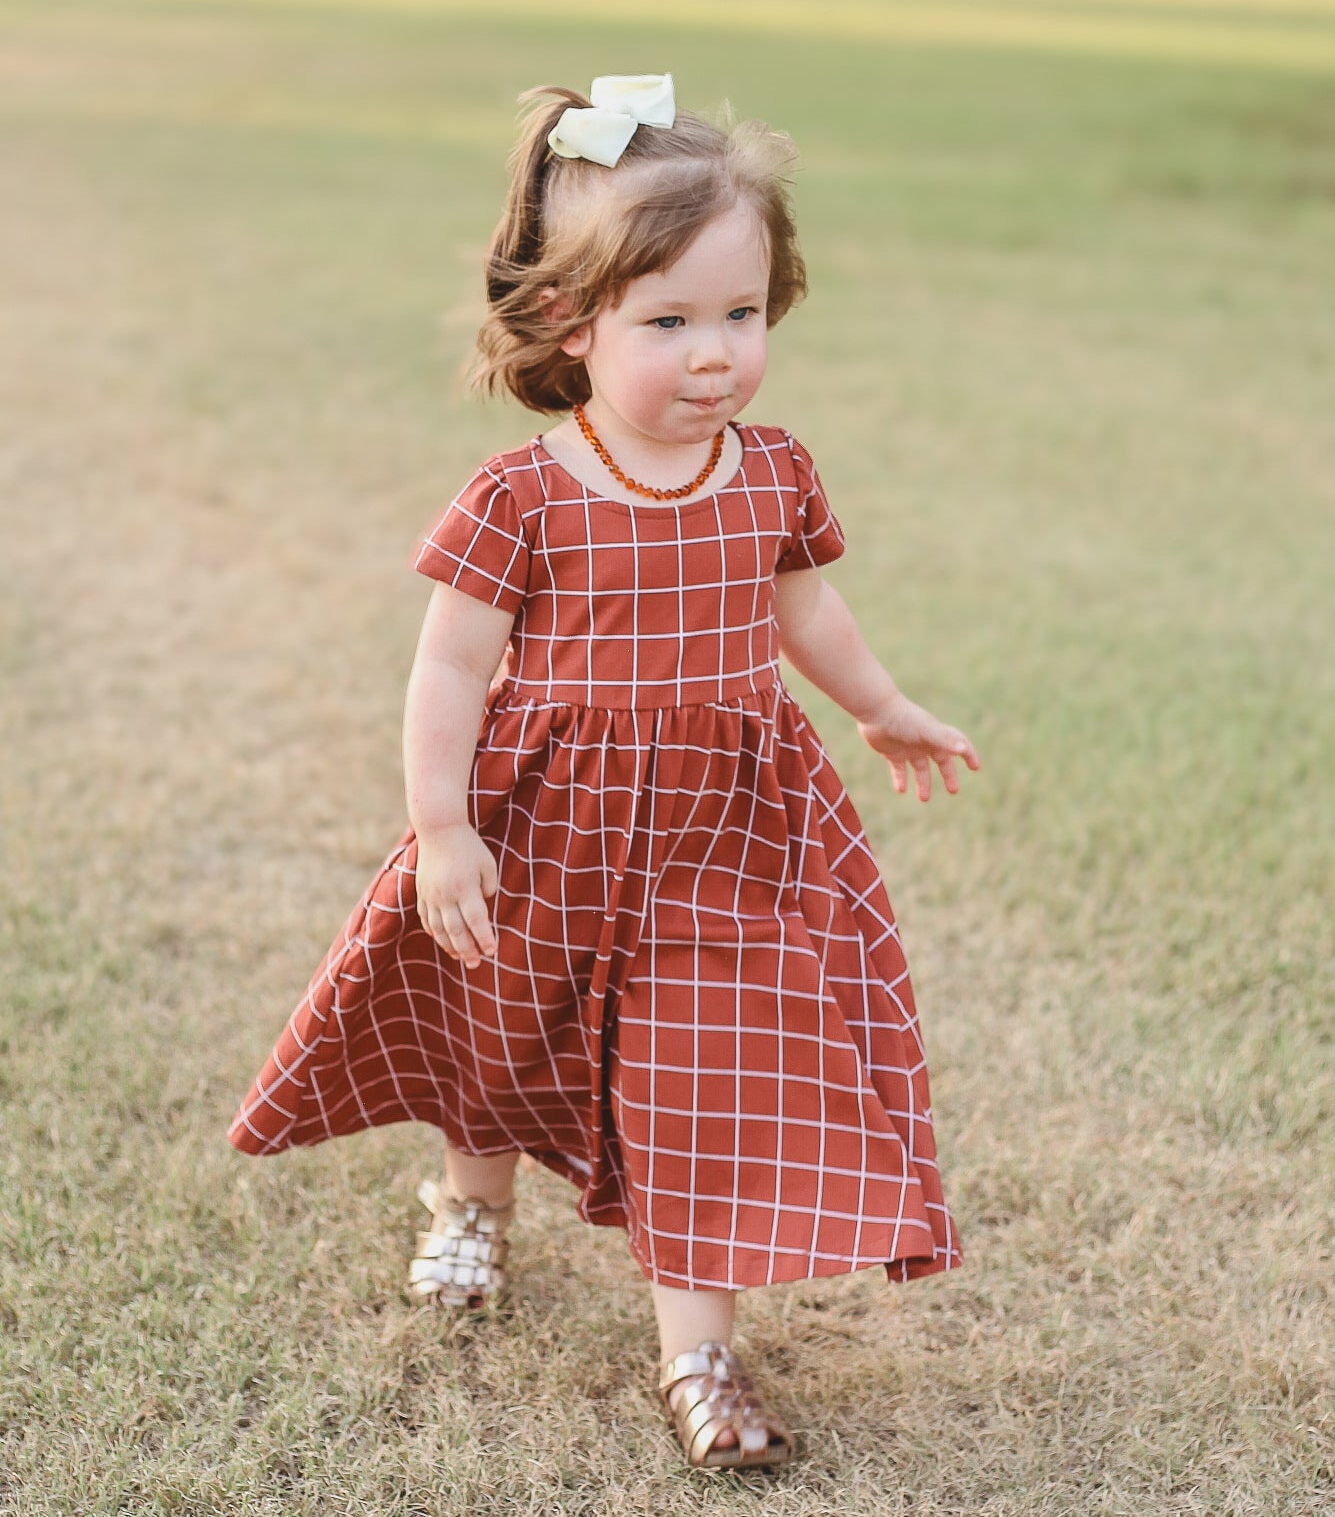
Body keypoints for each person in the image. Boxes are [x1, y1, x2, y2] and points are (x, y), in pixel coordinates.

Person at [229, 74, 980, 1472]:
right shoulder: (524, 497)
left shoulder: (769, 474)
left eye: (743, 315)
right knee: (504, 1026)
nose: (717, 356)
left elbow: (800, 609)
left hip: (723, 832)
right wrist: (442, 827)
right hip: (549, 817)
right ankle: (470, 1202)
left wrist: (880, 704)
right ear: (576, 328)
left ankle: (699, 1357)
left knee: (704, 1068)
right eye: (671, 322)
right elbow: (450, 670)